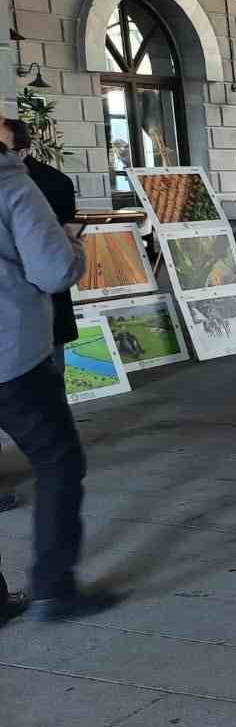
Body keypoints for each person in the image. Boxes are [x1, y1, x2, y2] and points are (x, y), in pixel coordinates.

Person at [0, 142, 112, 622]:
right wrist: (74, 245)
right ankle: (52, 587)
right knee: (59, 462)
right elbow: (53, 270)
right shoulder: (9, 181)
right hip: (11, 356)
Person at [2, 118, 75, 368]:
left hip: (34, 316)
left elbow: (55, 267)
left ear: (22, 151)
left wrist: (74, 247)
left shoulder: (47, 183)